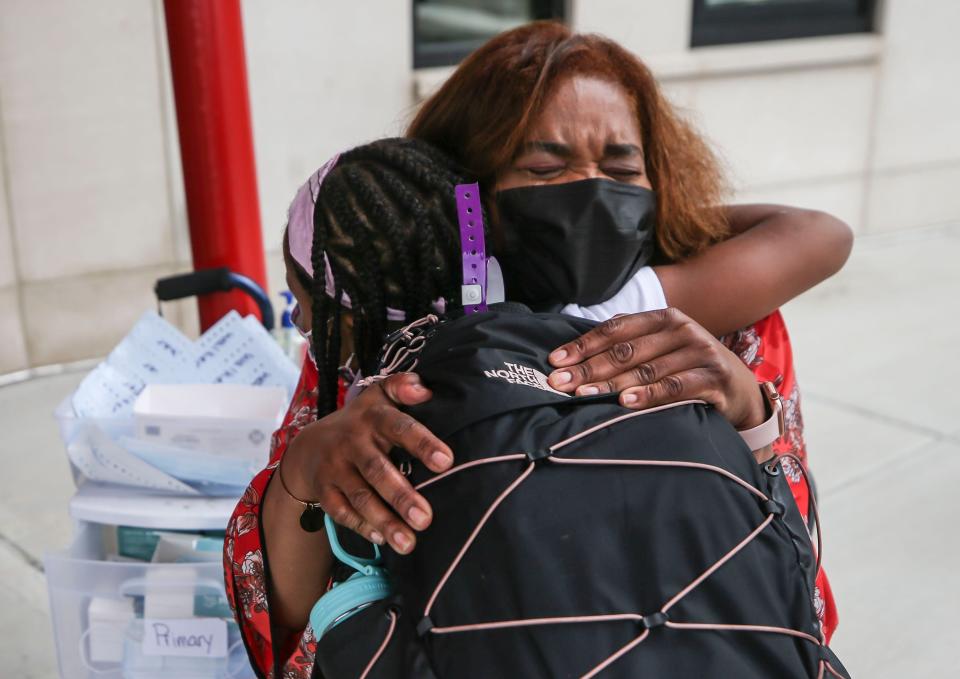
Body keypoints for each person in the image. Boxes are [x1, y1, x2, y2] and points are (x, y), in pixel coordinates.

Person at [226, 24, 851, 678]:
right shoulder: (379, 342)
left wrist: (751, 410)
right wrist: (307, 472)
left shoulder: (715, 334)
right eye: (545, 167)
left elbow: (788, 573)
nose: (591, 194)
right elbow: (287, 607)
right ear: (467, 188)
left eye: (621, 169)